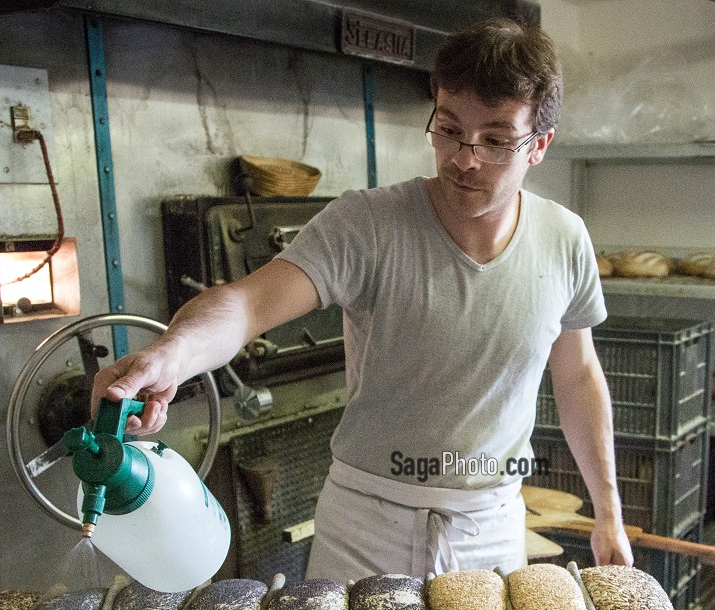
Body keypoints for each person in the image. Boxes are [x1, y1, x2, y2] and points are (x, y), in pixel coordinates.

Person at [90, 18, 632, 581]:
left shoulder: (564, 240)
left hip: (488, 527)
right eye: (448, 129)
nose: (465, 158)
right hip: (368, 526)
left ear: (539, 145)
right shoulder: (366, 225)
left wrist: (608, 513)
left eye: (495, 141)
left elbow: (577, 377)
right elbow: (247, 305)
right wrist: (172, 354)